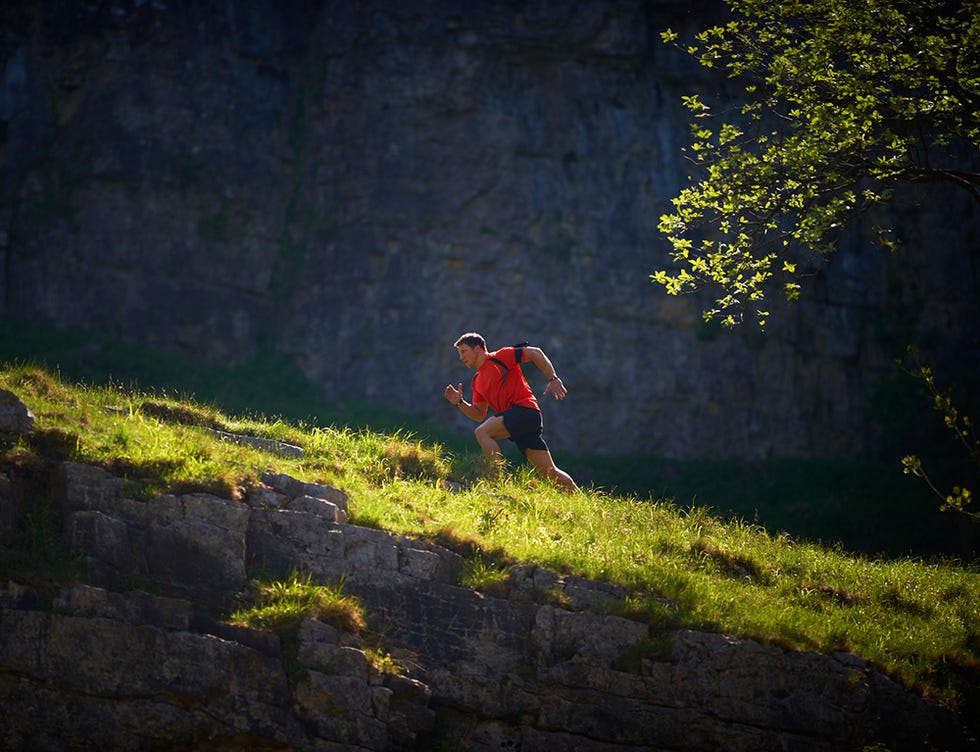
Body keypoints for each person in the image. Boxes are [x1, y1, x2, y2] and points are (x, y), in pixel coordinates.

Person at [444, 332, 578, 492]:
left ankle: (496, 479)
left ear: (478, 349)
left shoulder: (500, 356)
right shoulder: (477, 381)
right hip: (520, 422)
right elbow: (478, 414)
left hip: (526, 410)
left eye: (464, 351)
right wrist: (459, 403)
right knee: (549, 472)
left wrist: (553, 378)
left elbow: (535, 352)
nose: (461, 357)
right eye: (459, 353)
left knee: (482, 432)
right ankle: (582, 500)